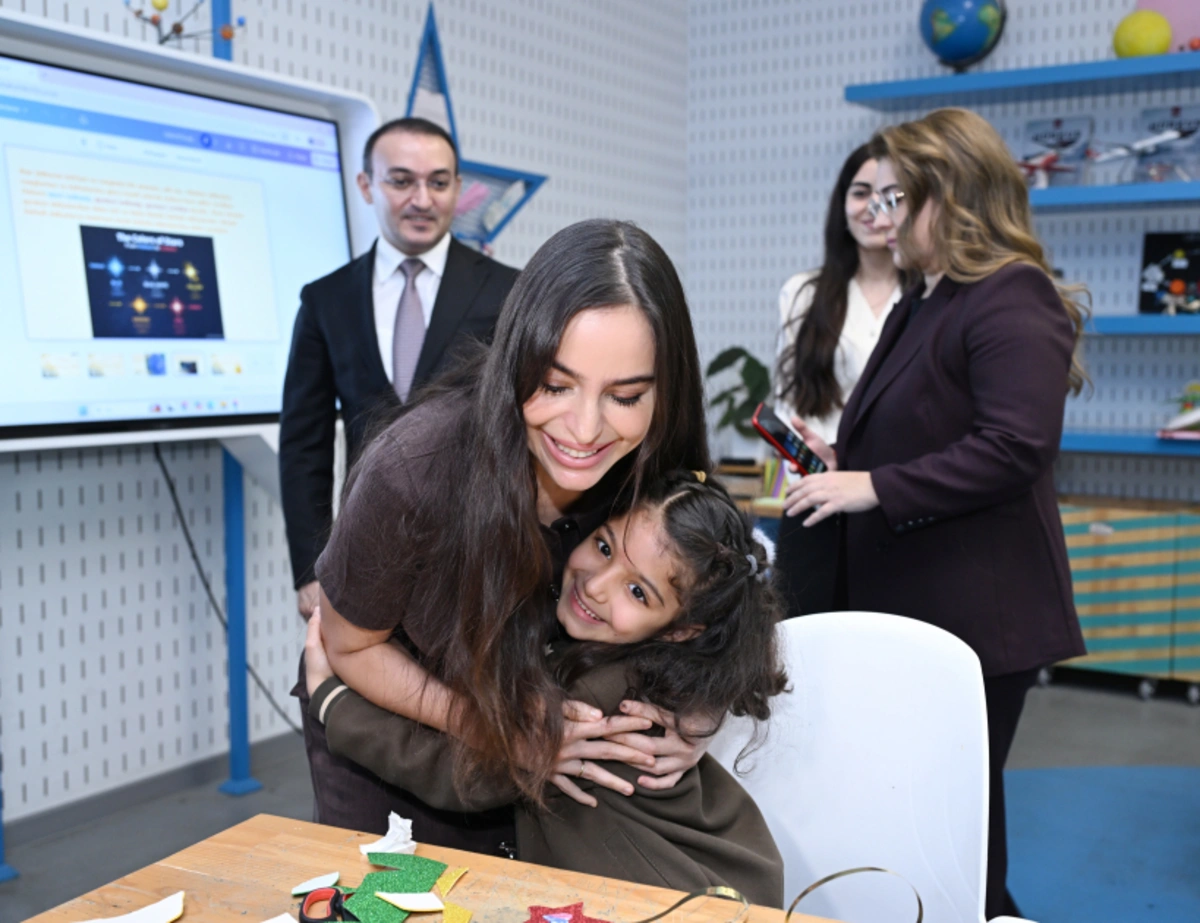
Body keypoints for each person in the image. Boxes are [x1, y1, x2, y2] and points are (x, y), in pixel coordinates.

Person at [300, 219, 713, 854]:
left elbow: (719, 603)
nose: (584, 430)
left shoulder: (655, 465)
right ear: (516, 358)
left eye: (625, 396)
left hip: (540, 762)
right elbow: (348, 648)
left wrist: (699, 715)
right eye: (554, 386)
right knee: (400, 896)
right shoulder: (414, 470)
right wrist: (503, 732)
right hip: (393, 748)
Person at [782, 108, 1088, 919]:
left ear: (951, 197)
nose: (882, 215)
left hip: (979, 616)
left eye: (899, 197)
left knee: (957, 825)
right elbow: (923, 425)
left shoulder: (1011, 293)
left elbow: (1016, 444)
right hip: (919, 604)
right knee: (932, 816)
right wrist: (846, 462)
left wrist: (875, 485)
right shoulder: (925, 298)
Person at [304, 472, 788, 907]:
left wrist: (332, 699)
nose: (597, 586)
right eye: (604, 547)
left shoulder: (598, 705)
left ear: (681, 630)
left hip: (685, 902)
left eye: (637, 591)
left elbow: (463, 774)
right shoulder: (644, 662)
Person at [279, 116, 518, 620]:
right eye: (402, 181)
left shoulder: (510, 291)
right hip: (363, 552)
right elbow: (304, 445)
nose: (422, 200)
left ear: (457, 188)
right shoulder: (326, 299)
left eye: (438, 182)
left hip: (479, 554)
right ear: (367, 186)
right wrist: (310, 569)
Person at [773, 144, 904, 618]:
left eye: (889, 195)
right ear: (841, 202)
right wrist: (811, 464)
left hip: (896, 504)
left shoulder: (928, 295)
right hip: (816, 499)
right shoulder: (804, 293)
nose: (873, 208)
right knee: (802, 639)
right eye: (860, 192)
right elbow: (789, 403)